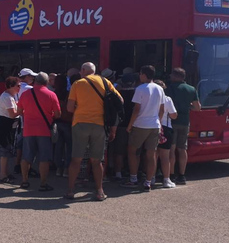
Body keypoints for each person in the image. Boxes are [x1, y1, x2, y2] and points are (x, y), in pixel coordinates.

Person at [66, 62, 122, 201]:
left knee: (76, 159)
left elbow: (69, 108)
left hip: (80, 124)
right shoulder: (105, 81)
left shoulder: (78, 84)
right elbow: (119, 100)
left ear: (84, 70)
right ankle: (99, 191)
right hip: (99, 124)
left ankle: (71, 191)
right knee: (97, 161)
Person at [16, 72, 61, 191]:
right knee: (44, 158)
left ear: (35, 81)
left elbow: (19, 111)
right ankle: (43, 183)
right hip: (44, 131)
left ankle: (24, 181)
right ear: (46, 82)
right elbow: (57, 114)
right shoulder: (51, 95)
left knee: (26, 157)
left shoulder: (25, 94)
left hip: (28, 130)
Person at [123, 65, 165, 191]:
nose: (139, 76)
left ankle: (133, 178)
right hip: (154, 124)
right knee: (151, 153)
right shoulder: (159, 88)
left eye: (140, 74)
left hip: (140, 124)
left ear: (144, 74)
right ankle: (148, 181)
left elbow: (136, 109)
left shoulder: (140, 89)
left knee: (132, 151)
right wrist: (158, 121)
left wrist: (130, 125)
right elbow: (162, 109)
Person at [167, 68, 200, 185]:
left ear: (176, 76)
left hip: (172, 122)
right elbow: (197, 107)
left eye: (172, 75)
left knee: (171, 148)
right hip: (185, 122)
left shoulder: (169, 88)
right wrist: (188, 106)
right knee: (182, 149)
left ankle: (171, 175)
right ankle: (182, 175)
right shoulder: (191, 89)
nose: (170, 76)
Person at [110, 72, 137, 182]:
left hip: (120, 125)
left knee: (119, 151)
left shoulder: (118, 94)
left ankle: (118, 173)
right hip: (135, 125)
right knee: (134, 152)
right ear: (134, 82)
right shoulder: (137, 93)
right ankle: (134, 173)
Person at [0, 76, 20, 184]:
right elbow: (13, 114)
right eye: (17, 86)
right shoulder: (7, 97)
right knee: (4, 152)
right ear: (11, 86)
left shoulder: (11, 96)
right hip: (5, 128)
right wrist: (23, 110)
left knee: (8, 151)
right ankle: (2, 175)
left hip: (9, 128)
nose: (19, 88)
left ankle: (7, 172)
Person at [154, 79, 178, 188]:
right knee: (165, 156)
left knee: (152, 155)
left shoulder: (149, 98)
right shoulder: (167, 99)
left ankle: (151, 178)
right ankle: (166, 179)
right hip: (165, 127)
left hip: (151, 127)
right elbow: (173, 115)